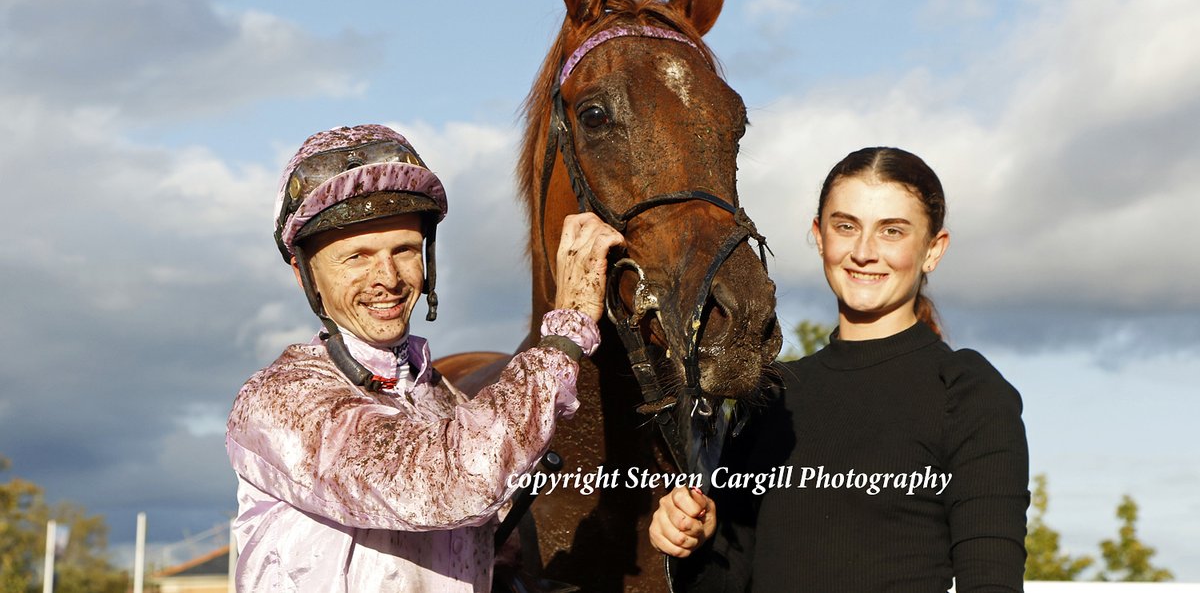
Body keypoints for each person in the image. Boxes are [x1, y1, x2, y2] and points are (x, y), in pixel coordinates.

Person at [225, 124, 623, 592]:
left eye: (405, 250)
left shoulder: (444, 400)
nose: (388, 278)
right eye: (356, 257)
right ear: (303, 273)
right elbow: (449, 482)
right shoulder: (279, 401)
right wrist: (566, 328)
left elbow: (487, 554)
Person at [649, 147, 1029, 592]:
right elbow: (725, 583)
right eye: (846, 226)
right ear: (820, 235)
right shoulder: (772, 395)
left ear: (933, 250)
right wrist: (694, 540)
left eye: (892, 231)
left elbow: (992, 581)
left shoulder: (966, 392)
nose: (864, 252)